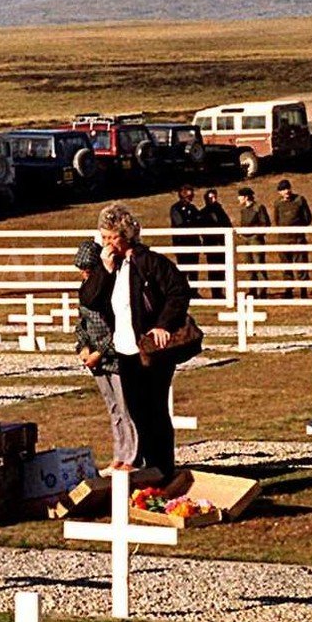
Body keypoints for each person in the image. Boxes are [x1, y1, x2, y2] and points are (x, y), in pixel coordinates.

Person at [79, 203, 194, 478]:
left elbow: (178, 291)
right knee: (136, 410)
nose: (107, 243)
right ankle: (147, 466)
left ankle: (163, 468)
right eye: (103, 237)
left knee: (155, 408)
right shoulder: (108, 266)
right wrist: (104, 270)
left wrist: (163, 325)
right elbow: (88, 299)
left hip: (151, 350)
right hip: (124, 350)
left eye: (112, 237)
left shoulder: (150, 262)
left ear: (127, 235)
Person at [73, 238, 138, 471]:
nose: (84, 275)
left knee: (126, 407)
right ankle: (119, 453)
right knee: (112, 409)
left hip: (114, 358)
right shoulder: (85, 290)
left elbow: (119, 329)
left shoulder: (111, 289)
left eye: (88, 270)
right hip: (96, 359)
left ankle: (133, 457)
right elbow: (82, 323)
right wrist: (82, 346)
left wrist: (99, 352)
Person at [272, 179, 312, 298]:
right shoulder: (278, 203)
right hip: (283, 240)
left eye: (288, 188)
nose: (287, 191)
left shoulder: (299, 200)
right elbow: (277, 220)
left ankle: (303, 290)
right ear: (279, 192)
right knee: (286, 266)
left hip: (298, 239)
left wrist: (299, 229)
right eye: (283, 189)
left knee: (301, 264)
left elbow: (307, 218)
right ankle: (288, 290)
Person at [196, 187, 232, 299]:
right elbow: (202, 229)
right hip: (211, 244)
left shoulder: (220, 210)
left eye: (215, 197)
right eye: (211, 197)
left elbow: (228, 224)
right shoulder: (203, 213)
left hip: (222, 244)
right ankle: (215, 292)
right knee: (213, 270)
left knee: (222, 269)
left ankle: (221, 291)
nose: (214, 199)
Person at [236, 187, 271, 295]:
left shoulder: (258, 208)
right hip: (245, 239)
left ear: (246, 197)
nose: (238, 199)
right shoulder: (243, 210)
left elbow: (265, 223)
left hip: (255, 239)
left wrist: (256, 234)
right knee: (248, 265)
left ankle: (262, 289)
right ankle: (252, 289)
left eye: (240, 196)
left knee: (258, 264)